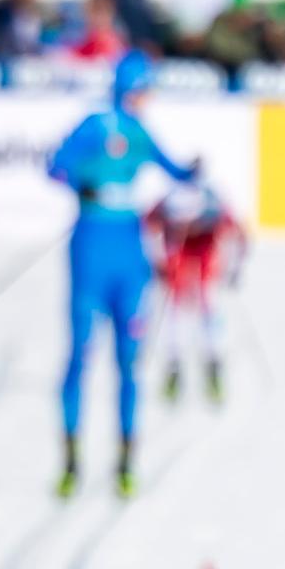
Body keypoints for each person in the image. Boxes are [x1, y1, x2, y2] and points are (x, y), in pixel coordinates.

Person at [46, 50, 196, 498]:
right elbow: (54, 166)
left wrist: (195, 173)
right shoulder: (94, 125)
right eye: (144, 87)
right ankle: (72, 459)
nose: (147, 97)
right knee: (80, 356)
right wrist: (81, 181)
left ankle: (126, 462)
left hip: (130, 255)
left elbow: (174, 171)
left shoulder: (138, 129)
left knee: (129, 362)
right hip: (91, 249)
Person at [146, 179, 248, 405]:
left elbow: (241, 235)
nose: (185, 226)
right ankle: (173, 366)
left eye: (189, 221)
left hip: (205, 250)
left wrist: (235, 268)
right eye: (178, 221)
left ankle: (214, 365)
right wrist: (156, 263)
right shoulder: (164, 206)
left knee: (209, 304)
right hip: (178, 252)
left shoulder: (215, 207)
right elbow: (145, 227)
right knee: (174, 307)